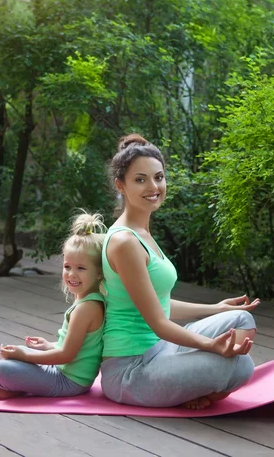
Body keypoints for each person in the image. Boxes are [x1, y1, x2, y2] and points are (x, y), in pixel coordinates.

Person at [100, 134, 260, 409]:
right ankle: (193, 388)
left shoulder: (142, 232)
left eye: (158, 177)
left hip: (163, 350)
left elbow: (159, 305)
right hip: (130, 371)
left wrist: (216, 309)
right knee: (231, 364)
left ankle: (192, 388)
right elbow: (158, 323)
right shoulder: (124, 242)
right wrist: (211, 347)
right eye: (140, 179)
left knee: (241, 323)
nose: (153, 186)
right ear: (121, 186)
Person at [0, 212, 106, 399]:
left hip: (69, 382)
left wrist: (24, 357)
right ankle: (19, 385)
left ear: (99, 273)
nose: (72, 274)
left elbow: (66, 355)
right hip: (62, 371)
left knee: (1, 369)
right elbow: (75, 347)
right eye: (67, 267)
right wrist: (47, 346)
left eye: (81, 268)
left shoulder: (87, 308)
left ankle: (17, 387)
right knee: (17, 351)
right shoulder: (86, 300)